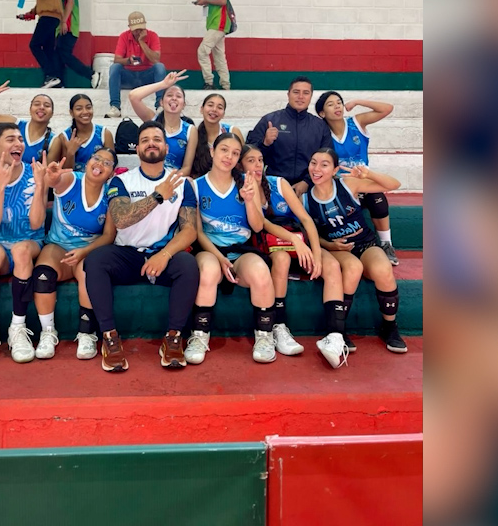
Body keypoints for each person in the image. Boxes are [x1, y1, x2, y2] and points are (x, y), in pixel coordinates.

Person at [81, 122, 200, 372]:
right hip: (127, 255)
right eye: (145, 140)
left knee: (188, 264)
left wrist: (165, 255)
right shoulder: (122, 180)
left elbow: (189, 230)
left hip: (161, 255)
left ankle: (173, 338)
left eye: (156, 139)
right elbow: (121, 219)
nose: (151, 143)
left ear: (166, 147)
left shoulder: (181, 183)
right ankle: (110, 338)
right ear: (137, 149)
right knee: (95, 260)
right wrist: (158, 196)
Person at [240, 145, 344, 361]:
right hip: (272, 242)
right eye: (251, 160)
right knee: (281, 258)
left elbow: (306, 219)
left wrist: (316, 254)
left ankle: (335, 336)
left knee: (332, 265)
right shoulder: (244, 188)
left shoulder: (278, 183)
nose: (257, 165)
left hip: (298, 238)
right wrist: (293, 240)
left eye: (260, 160)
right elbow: (263, 224)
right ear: (241, 165)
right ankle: (278, 326)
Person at [301, 149, 408, 357]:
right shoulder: (305, 200)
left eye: (324, 164)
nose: (317, 168)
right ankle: (339, 330)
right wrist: (330, 245)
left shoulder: (347, 184)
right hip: (338, 248)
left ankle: (389, 326)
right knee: (352, 268)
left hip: (365, 243)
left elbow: (394, 185)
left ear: (335, 170)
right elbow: (308, 235)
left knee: (383, 268)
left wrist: (369, 174)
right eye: (313, 163)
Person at [186, 133, 277, 364]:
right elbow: (197, 232)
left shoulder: (247, 182)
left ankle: (265, 336)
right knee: (208, 270)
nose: (229, 156)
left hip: (242, 251)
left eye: (235, 153)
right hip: (211, 251)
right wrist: (220, 258)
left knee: (260, 271)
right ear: (212, 151)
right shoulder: (196, 186)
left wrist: (249, 200)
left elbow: (257, 226)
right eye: (224, 150)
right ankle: (199, 335)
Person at [0, 123, 49, 363]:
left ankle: (18, 327)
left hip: (28, 241)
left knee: (21, 250)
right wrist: (0, 185)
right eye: (10, 139)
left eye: (20, 139)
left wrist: (40, 185)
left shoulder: (36, 173)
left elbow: (36, 223)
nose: (18, 143)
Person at [33, 147, 118, 360]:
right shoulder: (72, 179)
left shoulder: (111, 193)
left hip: (90, 249)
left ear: (112, 172)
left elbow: (109, 235)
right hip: (59, 247)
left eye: (107, 163)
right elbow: (56, 181)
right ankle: (47, 332)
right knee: (43, 274)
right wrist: (52, 178)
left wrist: (84, 251)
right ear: (87, 162)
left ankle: (86, 333)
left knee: (90, 274)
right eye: (96, 158)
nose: (99, 164)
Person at [315, 91, 400, 266]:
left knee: (377, 198)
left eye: (339, 102)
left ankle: (386, 244)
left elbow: (387, 108)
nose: (337, 106)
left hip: (363, 179)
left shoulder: (355, 123)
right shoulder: (321, 135)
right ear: (322, 113)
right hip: (340, 184)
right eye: (330, 104)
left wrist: (357, 101)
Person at [246, 76, 331, 196]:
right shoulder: (269, 120)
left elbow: (328, 158)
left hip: (310, 188)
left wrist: (307, 182)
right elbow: (248, 156)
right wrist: (265, 143)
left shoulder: (320, 126)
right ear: (288, 94)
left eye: (305, 93)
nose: (300, 96)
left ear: (311, 96)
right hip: (274, 187)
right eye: (296, 92)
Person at [105, 11, 168, 118]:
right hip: (129, 76)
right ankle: (115, 107)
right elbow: (117, 59)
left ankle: (160, 106)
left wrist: (142, 42)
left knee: (160, 67)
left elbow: (156, 59)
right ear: (130, 28)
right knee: (115, 67)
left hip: (147, 77)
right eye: (135, 29)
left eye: (141, 29)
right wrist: (128, 61)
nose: (138, 32)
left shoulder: (152, 36)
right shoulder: (124, 36)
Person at [52, 0, 101, 89]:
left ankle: (91, 75)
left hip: (68, 25)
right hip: (64, 25)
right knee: (59, 55)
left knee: (64, 54)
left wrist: (64, 22)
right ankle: (60, 83)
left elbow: (70, 1)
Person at [0, 81, 55, 164]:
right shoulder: (14, 124)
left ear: (52, 113)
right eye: (37, 104)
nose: (41, 107)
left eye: (47, 105)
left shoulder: (54, 140)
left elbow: (49, 169)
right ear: (30, 110)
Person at [20, 0, 65, 89]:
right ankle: (57, 81)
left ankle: (50, 75)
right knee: (47, 49)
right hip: (53, 16)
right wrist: (32, 12)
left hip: (49, 16)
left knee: (34, 45)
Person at [128, 69, 193, 170]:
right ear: (161, 102)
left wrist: (169, 179)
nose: (174, 98)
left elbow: (187, 168)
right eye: (169, 95)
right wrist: (163, 84)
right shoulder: (153, 120)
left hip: (175, 178)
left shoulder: (190, 130)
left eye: (178, 96)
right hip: (150, 175)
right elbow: (133, 96)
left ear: (184, 104)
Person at [193, 0, 232, 90]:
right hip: (214, 24)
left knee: (202, 51)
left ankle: (209, 82)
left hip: (218, 23)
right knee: (219, 56)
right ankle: (226, 85)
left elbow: (223, 1)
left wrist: (206, 0)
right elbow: (214, 1)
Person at [48, 93, 114, 171]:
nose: (85, 112)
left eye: (88, 108)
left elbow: (111, 165)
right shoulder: (64, 137)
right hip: (73, 178)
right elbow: (65, 171)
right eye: (79, 109)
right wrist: (70, 153)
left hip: (98, 177)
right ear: (71, 113)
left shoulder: (104, 134)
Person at [185, 92, 242, 177]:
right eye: (210, 105)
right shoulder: (194, 134)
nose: (214, 109)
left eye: (219, 107)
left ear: (223, 114)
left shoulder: (232, 131)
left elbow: (242, 162)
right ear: (201, 109)